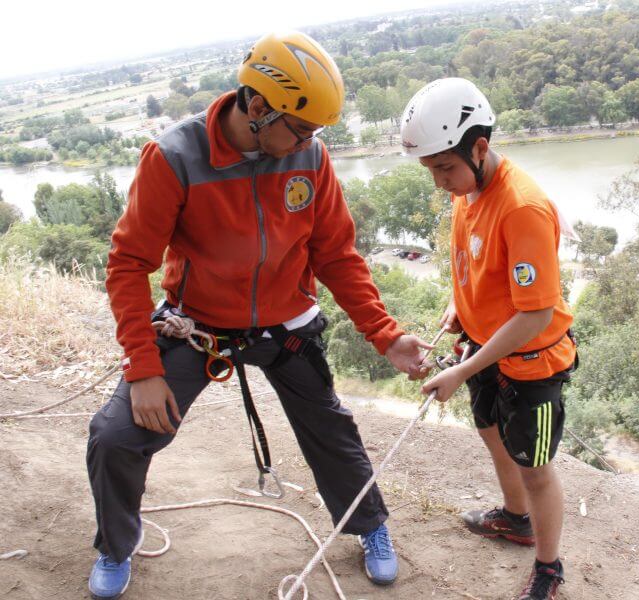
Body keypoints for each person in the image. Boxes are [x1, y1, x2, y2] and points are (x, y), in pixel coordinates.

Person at [86, 32, 432, 599]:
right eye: (298, 127)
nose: (307, 140)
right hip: (197, 327)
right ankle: (116, 546)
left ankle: (369, 526)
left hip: (284, 325)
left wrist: (385, 335)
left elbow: (336, 254)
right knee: (117, 436)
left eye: (313, 131)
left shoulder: (309, 158)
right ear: (256, 105)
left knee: (331, 428)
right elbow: (128, 265)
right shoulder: (175, 158)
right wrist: (143, 369)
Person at [400, 78, 578, 600]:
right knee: (493, 433)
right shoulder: (469, 189)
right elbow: (478, 267)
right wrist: (460, 306)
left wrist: (462, 370)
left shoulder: (520, 206)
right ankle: (514, 517)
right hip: (483, 347)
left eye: (444, 168)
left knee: (536, 467)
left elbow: (535, 312)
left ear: (480, 147)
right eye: (431, 170)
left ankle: (548, 567)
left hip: (531, 361)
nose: (439, 182)